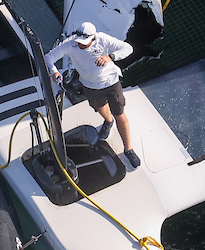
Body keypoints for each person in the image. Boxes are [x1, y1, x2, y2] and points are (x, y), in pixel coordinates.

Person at [44, 21, 140, 169]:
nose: (81, 44)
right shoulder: (70, 44)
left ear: (93, 38)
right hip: (90, 86)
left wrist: (110, 56)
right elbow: (49, 57)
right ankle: (108, 122)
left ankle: (129, 149)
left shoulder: (102, 39)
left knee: (119, 114)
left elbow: (128, 48)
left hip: (111, 82)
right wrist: (54, 71)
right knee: (100, 107)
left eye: (84, 42)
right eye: (79, 42)